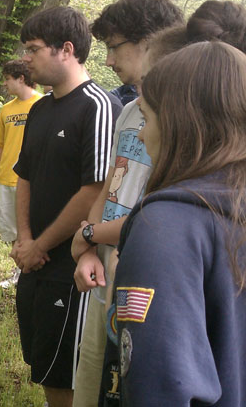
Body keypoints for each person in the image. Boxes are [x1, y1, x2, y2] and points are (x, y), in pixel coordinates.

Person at [114, 41, 246, 406]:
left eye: (147, 117)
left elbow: (159, 387)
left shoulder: (163, 227)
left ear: (178, 122)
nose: (141, 135)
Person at [69, 0, 183, 407]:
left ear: (149, 40)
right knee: (90, 390)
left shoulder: (182, 118)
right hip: (103, 279)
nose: (109, 60)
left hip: (142, 289)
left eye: (114, 47)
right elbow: (110, 186)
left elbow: (155, 215)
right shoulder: (130, 111)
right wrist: (88, 251)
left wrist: (87, 232)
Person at [12, 6, 122, 407]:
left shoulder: (98, 106)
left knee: (69, 373)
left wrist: (41, 245)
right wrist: (25, 240)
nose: (26, 57)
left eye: (34, 49)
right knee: (43, 363)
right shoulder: (39, 108)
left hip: (72, 264)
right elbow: (24, 175)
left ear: (67, 49)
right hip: (34, 262)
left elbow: (95, 189)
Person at [0, 60, 42, 245]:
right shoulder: (6, 109)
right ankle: (18, 270)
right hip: (5, 180)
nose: (4, 83)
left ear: (21, 78)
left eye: (7, 79)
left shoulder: (43, 103)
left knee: (32, 231)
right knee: (11, 234)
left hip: (32, 181)